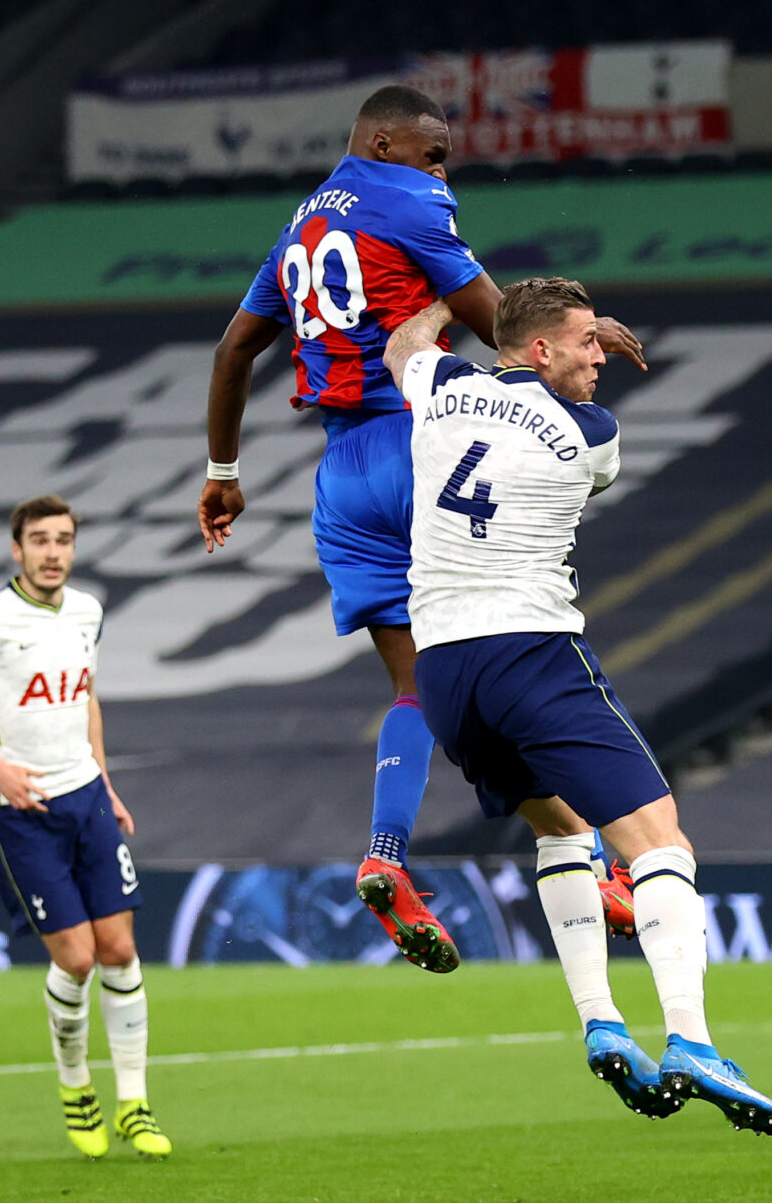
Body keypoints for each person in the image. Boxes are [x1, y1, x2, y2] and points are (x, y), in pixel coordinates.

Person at [197, 84, 645, 972]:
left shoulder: (298, 228)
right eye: (432, 153)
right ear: (383, 141)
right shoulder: (406, 199)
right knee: (523, 635)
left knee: (420, 687)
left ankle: (389, 857)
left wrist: (223, 473)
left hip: (342, 475)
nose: (442, 172)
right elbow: (496, 323)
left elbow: (234, 349)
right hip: (421, 445)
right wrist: (577, 335)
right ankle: (610, 855)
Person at [381, 280, 772, 1135]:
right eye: (587, 343)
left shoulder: (443, 387)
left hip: (443, 668)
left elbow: (402, 346)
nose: (601, 355)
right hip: (530, 651)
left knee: (561, 830)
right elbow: (568, 439)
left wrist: (452, 303)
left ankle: (601, 1021)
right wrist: (548, 350)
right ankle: (692, 1039)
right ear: (540, 350)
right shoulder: (591, 432)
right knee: (659, 841)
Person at [0, 496, 170, 1162]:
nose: (52, 552)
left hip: (86, 796)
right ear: (17, 549)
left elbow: (85, 697)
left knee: (120, 948)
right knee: (77, 957)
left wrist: (106, 782)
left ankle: (135, 1103)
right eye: (40, 540)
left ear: (73, 548)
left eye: (63, 540)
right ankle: (76, 1085)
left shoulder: (88, 611)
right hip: (20, 810)